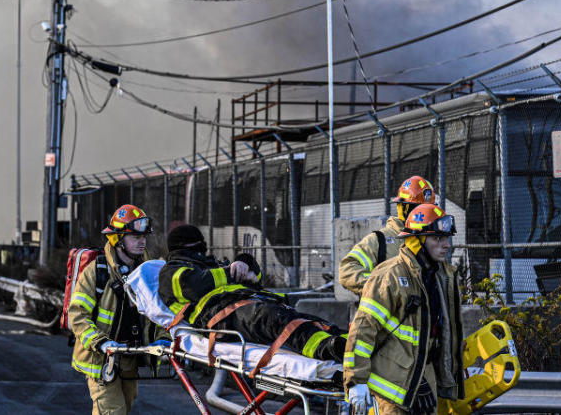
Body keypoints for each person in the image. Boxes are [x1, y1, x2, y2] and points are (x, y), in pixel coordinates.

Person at [158, 224, 347, 363]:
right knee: (275, 320)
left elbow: (255, 277)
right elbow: (194, 285)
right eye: (198, 246)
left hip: (248, 305)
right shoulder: (170, 271)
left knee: (308, 320)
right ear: (186, 247)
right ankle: (330, 349)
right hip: (223, 317)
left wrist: (244, 261)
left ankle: (350, 342)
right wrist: (231, 272)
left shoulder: (210, 265)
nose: (203, 249)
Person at [344, 203, 464, 415]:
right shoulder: (389, 277)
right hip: (391, 388)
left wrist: (429, 380)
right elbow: (363, 331)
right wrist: (356, 381)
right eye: (438, 238)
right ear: (417, 240)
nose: (446, 244)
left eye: (447, 238)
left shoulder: (441, 276)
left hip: (421, 380)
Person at [68, 205, 165, 415]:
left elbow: (159, 313)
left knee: (125, 408)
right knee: (113, 411)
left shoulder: (147, 272)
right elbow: (77, 315)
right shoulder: (97, 271)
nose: (142, 241)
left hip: (130, 359)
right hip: (102, 361)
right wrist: (101, 342)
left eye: (144, 236)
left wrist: (163, 339)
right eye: (135, 237)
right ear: (117, 239)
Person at [339, 175, 437, 297]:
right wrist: (383, 286)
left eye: (429, 210)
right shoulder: (380, 241)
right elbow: (347, 271)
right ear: (404, 208)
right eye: (420, 210)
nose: (427, 215)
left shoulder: (431, 242)